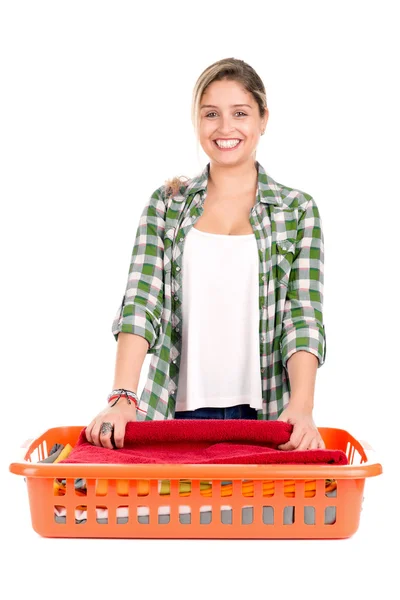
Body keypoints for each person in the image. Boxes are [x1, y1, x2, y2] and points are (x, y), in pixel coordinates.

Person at [85, 57, 327, 452]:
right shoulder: (167, 205)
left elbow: (302, 317)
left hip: (265, 418)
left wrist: (301, 407)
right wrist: (123, 397)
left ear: (263, 119)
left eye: (241, 113)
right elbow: (141, 302)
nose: (225, 127)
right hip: (173, 416)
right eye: (211, 113)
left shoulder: (297, 210)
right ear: (197, 121)